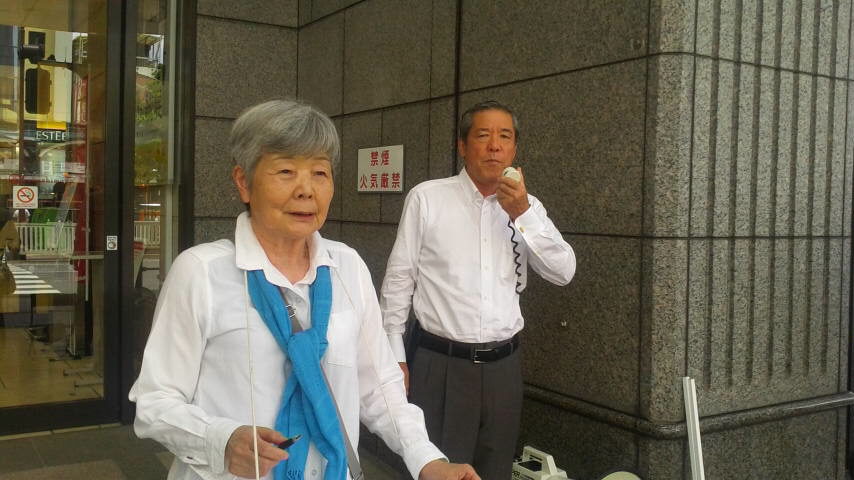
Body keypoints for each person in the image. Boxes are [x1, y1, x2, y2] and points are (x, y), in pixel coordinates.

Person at [129, 99, 479, 480]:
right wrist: (220, 441)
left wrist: (427, 460)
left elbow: (380, 387)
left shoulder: (347, 268)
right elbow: (154, 402)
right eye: (285, 171)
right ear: (244, 182)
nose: (306, 190)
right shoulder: (201, 273)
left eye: (319, 173)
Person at [380, 100, 576, 479]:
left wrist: (522, 214)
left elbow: (563, 271)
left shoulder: (528, 208)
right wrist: (394, 356)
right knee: (439, 469)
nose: (494, 146)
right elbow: (399, 279)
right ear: (462, 145)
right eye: (483, 135)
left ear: (514, 149)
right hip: (441, 365)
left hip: (504, 368)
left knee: (495, 470)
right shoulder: (427, 198)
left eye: (505, 137)